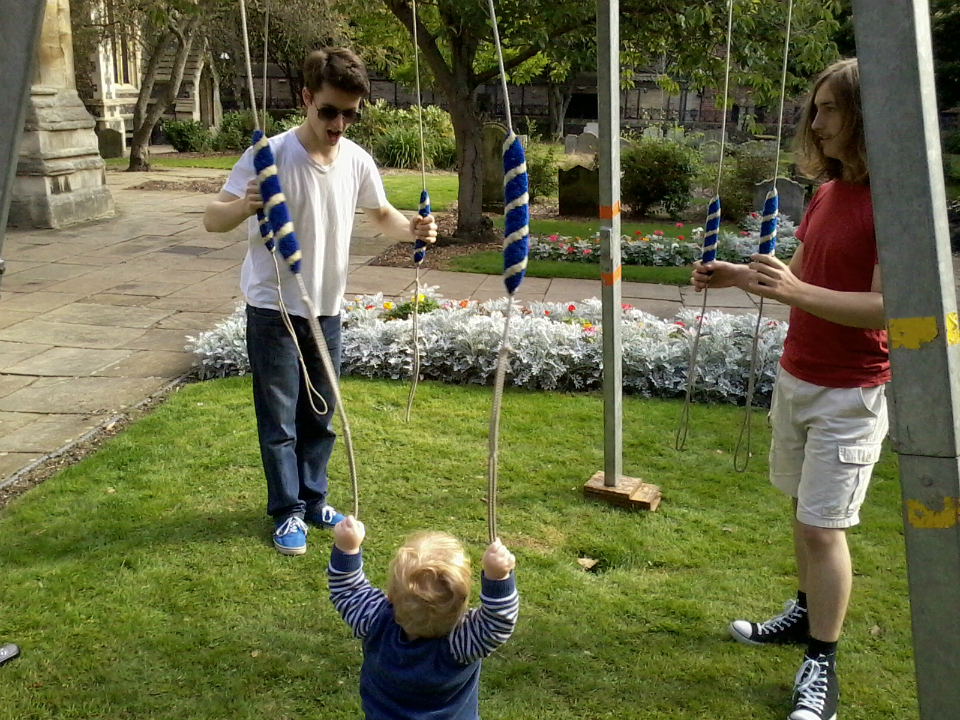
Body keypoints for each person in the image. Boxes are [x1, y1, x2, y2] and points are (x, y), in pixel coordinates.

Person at [692, 58, 887, 720]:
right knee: (803, 513)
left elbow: (886, 306)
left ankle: (821, 668)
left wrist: (796, 289)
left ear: (865, 115)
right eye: (816, 107)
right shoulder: (828, 193)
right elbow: (799, 281)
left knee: (822, 526)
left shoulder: (895, 201)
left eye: (830, 108)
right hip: (799, 375)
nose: (816, 120)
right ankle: (804, 617)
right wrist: (739, 276)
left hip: (850, 394)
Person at [203, 48, 437, 557]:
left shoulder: (355, 159)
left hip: (327, 308)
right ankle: (287, 512)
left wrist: (413, 228)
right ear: (307, 99)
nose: (339, 124)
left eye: (350, 114)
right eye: (329, 111)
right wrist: (244, 205)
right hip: (274, 308)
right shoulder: (272, 154)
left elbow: (381, 215)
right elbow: (211, 218)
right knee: (280, 417)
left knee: (322, 415)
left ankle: (313, 500)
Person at [328, 517, 519, 720]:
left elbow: (347, 589)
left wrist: (347, 548)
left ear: (391, 595)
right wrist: (497, 578)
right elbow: (498, 620)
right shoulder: (461, 644)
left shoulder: (374, 621)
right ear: (461, 604)